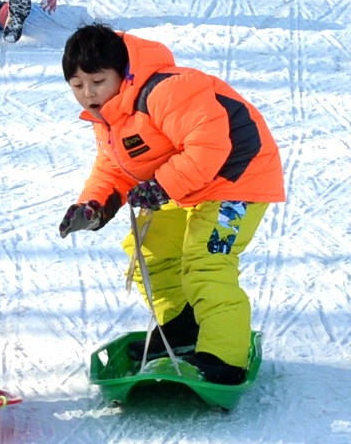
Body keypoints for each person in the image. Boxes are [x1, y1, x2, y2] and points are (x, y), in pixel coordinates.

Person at [57, 23, 285, 386]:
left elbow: (208, 146)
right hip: (190, 185)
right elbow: (114, 169)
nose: (89, 94)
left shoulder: (168, 90)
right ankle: (183, 324)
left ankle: (224, 357)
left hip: (239, 179)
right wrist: (93, 206)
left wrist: (162, 186)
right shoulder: (112, 120)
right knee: (149, 250)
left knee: (206, 263)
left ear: (123, 73)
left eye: (98, 81)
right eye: (78, 85)